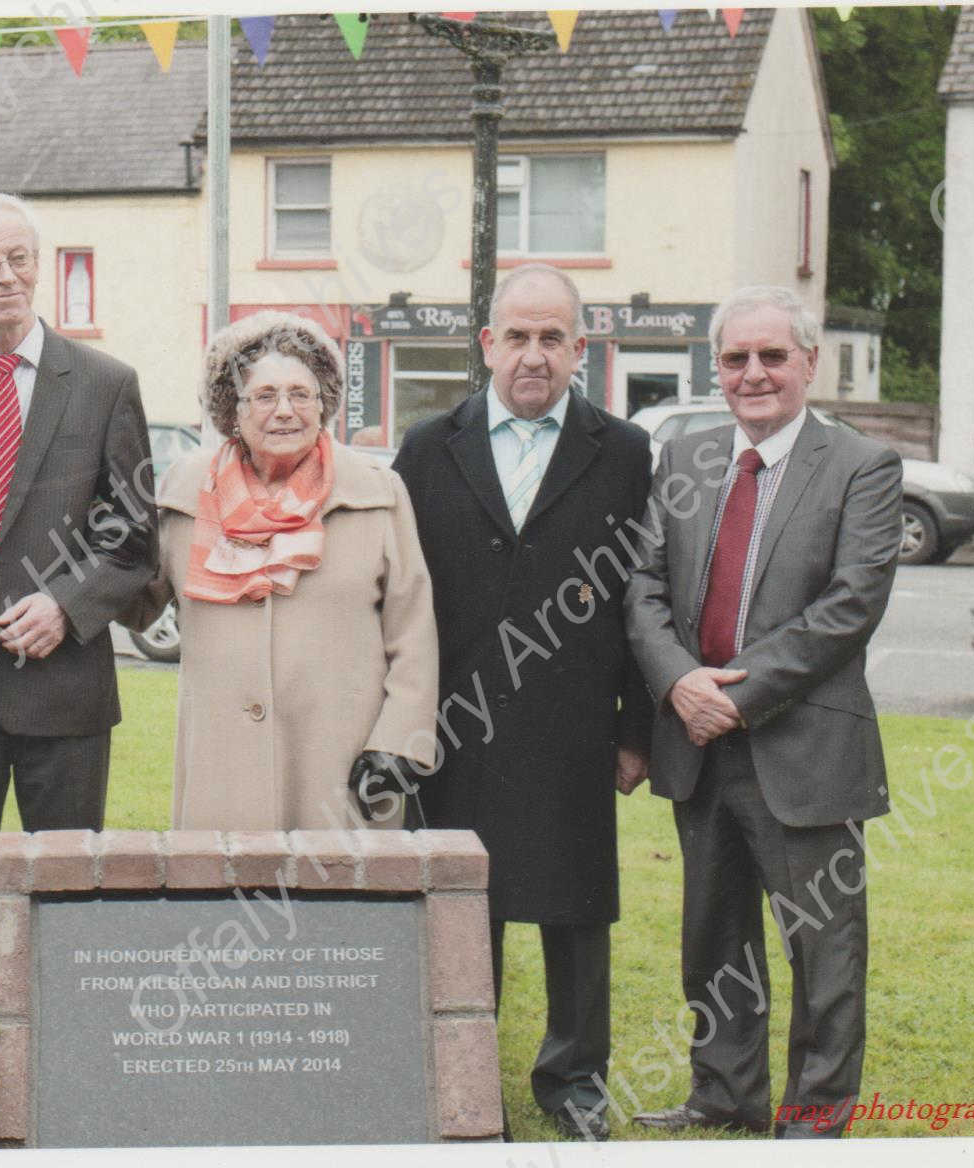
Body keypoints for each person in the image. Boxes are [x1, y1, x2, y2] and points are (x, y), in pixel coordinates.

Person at [624, 285, 903, 1139]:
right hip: (697, 745)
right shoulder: (686, 458)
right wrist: (679, 683)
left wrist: (730, 698)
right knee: (714, 939)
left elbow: (849, 608)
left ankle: (813, 1122)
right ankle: (724, 1093)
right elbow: (641, 587)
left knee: (824, 952)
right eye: (736, 358)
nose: (753, 374)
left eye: (772, 356)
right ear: (717, 368)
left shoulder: (862, 466)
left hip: (804, 747)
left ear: (809, 363)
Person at [392, 264, 652, 1142]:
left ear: (580, 348)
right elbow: (399, 592)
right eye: (517, 337)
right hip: (454, 721)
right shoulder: (430, 446)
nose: (533, 355)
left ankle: (574, 1080)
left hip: (575, 721)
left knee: (577, 905)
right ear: (487, 344)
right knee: (468, 903)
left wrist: (636, 728)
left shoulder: (625, 452)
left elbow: (642, 598)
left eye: (551, 338)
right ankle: (463, 1072)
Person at [0, 191, 156, 990]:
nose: (6, 276)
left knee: (70, 894)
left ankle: (67, 1050)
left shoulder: (105, 383)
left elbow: (134, 536)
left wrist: (67, 606)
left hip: (65, 689)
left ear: (39, 266)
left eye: (19, 258)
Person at [143, 311, 437, 829]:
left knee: (335, 882)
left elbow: (412, 629)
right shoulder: (185, 493)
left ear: (325, 404)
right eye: (264, 396)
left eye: (301, 394)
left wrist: (397, 742)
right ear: (232, 408)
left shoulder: (376, 491)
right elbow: (136, 601)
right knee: (224, 878)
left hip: (340, 762)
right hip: (222, 765)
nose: (285, 411)